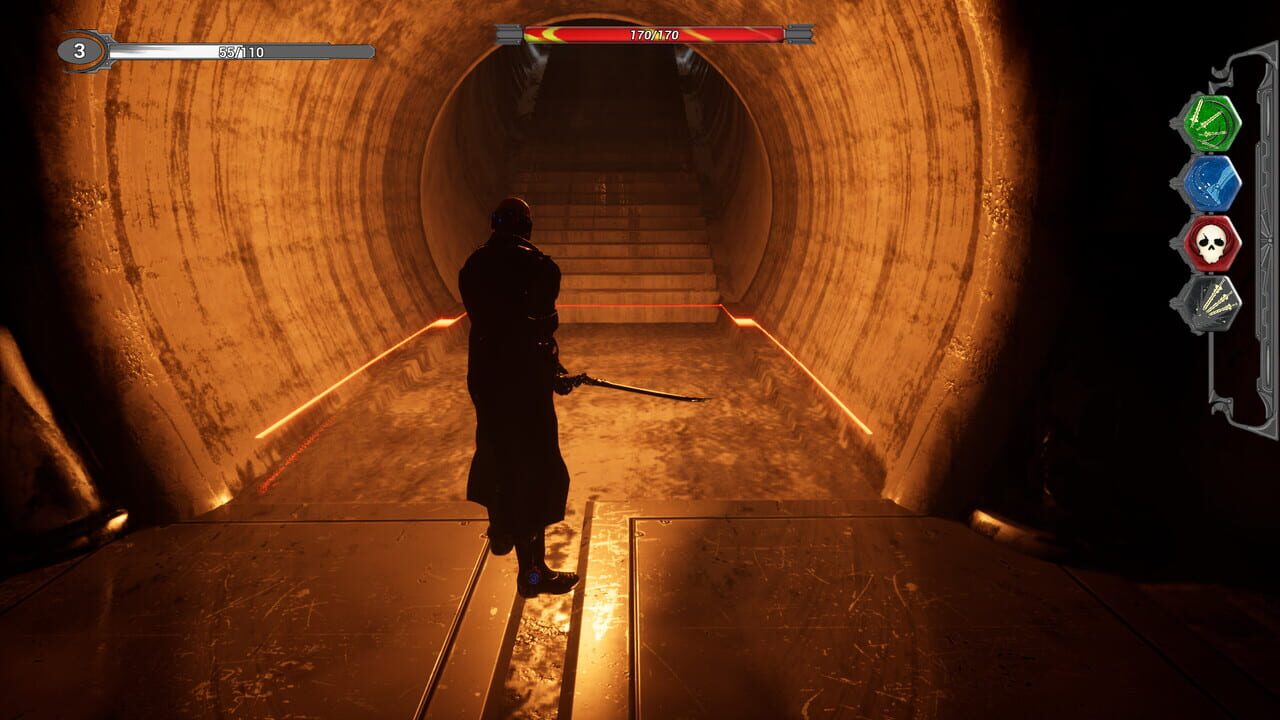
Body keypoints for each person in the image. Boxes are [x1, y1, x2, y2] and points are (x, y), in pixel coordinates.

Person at [459, 197, 582, 598]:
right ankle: (532, 575)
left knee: (497, 457)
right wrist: (555, 374)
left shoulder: (473, 266)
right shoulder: (540, 267)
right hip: (524, 386)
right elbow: (540, 332)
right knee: (534, 473)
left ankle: (500, 528)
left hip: (486, 382)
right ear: (527, 226)